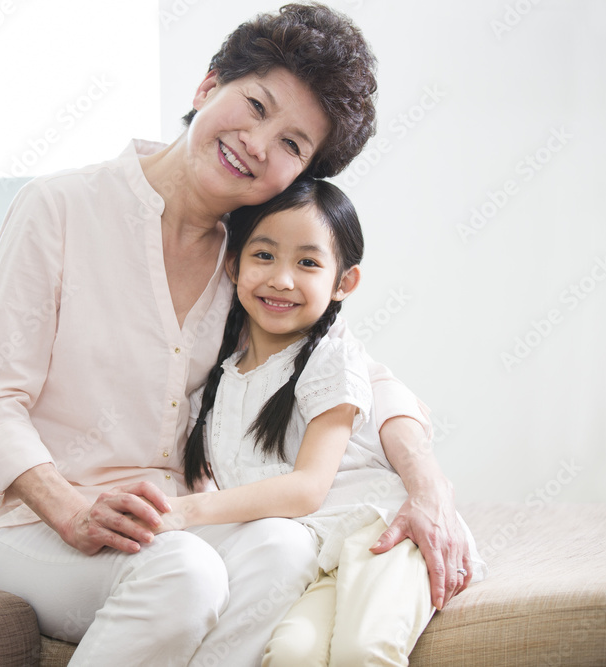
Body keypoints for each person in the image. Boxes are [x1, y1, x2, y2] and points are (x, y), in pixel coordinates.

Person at [0, 4, 472, 665]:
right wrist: (69, 508)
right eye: (255, 105)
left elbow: (361, 375)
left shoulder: (253, 261)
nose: (259, 143)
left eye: (291, 143)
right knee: (185, 573)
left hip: (171, 524)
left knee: (284, 545)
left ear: (300, 175)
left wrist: (430, 488)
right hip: (29, 527)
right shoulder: (59, 209)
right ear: (206, 88)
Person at [158, 177, 487, 666]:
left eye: (308, 263)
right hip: (319, 555)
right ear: (234, 264)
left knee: (363, 650)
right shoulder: (218, 382)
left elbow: (307, 489)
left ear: (343, 283)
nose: (282, 279)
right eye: (264, 256)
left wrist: (184, 514)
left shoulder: (332, 362)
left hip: (386, 534)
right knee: (290, 654)